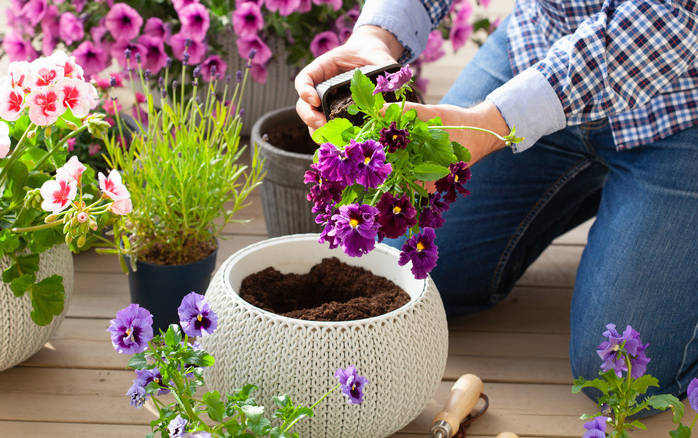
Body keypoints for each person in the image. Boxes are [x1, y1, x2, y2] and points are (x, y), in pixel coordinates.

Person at [295, 0, 698, 410]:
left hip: (680, 105)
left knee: (623, 378)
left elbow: (667, 20)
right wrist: (374, 36)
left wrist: (488, 125)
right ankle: (600, 190)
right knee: (412, 273)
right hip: (540, 49)